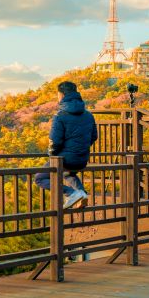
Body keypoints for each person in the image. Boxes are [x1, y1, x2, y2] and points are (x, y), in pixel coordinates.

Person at [34, 81, 97, 209]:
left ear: (61, 95)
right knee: (67, 173)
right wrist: (80, 149)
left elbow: (54, 141)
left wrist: (52, 154)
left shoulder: (60, 116)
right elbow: (94, 137)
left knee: (40, 178)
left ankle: (72, 193)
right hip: (82, 159)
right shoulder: (89, 115)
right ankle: (82, 194)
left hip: (66, 160)